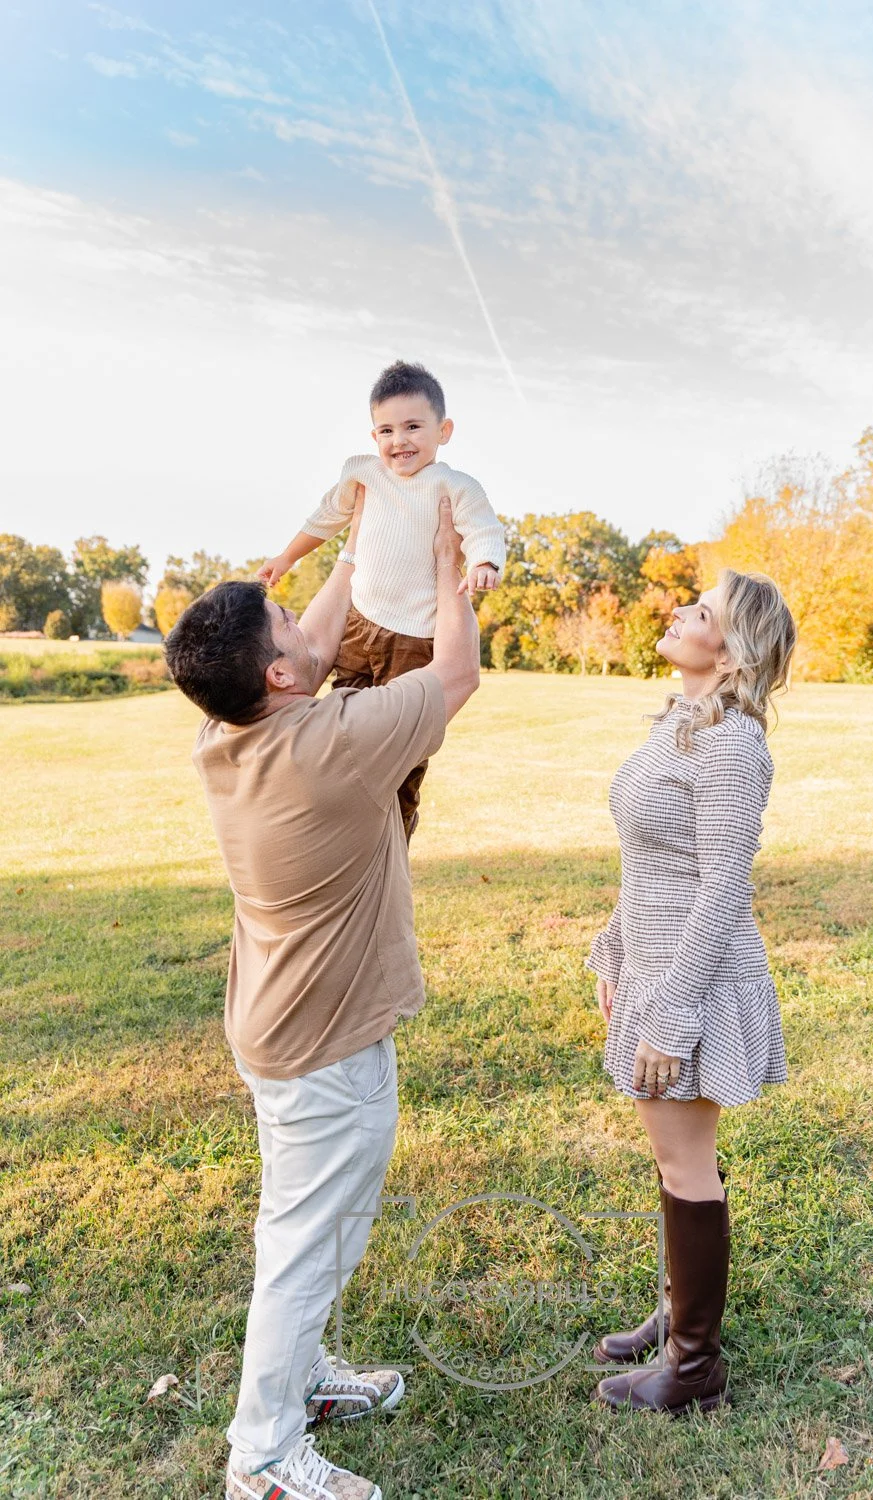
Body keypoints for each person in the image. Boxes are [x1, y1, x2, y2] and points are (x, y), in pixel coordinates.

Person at [164, 497, 480, 1500]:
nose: (308, 620)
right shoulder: (328, 747)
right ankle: (261, 1459)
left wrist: (358, 542)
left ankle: (307, 1381)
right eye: (288, 624)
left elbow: (316, 638)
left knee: (324, 1226)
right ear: (281, 676)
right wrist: (444, 566)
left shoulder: (226, 729)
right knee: (302, 1250)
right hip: (322, 1045)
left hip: (290, 1028)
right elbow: (458, 673)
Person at [587, 568, 796, 1416]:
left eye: (701, 611)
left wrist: (670, 1012)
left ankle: (695, 1368)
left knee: (687, 1163)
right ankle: (678, 1315)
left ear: (732, 648)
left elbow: (720, 891)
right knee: (679, 1160)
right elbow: (653, 865)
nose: (678, 611)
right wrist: (611, 949)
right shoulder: (681, 727)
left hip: (695, 981)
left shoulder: (731, 746)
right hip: (654, 964)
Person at [257, 360, 505, 841]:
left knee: (403, 739)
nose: (400, 441)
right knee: (341, 712)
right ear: (374, 437)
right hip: (360, 619)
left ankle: (398, 824)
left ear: (444, 430)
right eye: (387, 430)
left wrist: (484, 565)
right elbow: (325, 518)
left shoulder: (455, 486)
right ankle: (332, 808)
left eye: (414, 427)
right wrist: (285, 558)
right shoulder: (364, 474)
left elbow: (483, 530)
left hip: (415, 636)